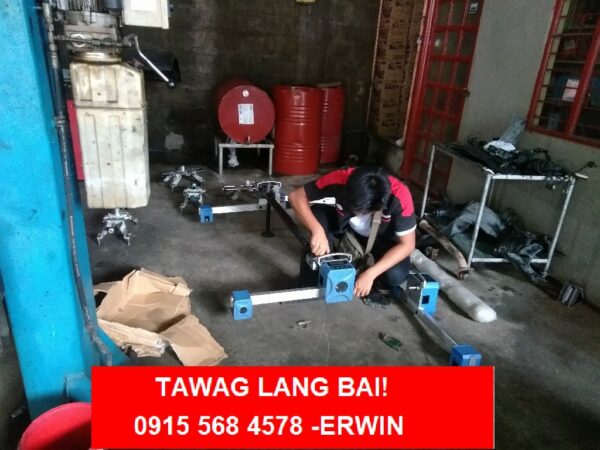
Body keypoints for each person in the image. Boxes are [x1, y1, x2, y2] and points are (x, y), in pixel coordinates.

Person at [288, 166, 416, 300]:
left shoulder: (400, 195)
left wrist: (371, 274)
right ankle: (327, 262)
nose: (360, 214)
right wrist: (317, 230)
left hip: (380, 238)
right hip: (344, 226)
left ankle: (371, 278)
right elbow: (296, 197)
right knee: (318, 215)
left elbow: (407, 245)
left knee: (396, 275)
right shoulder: (339, 178)